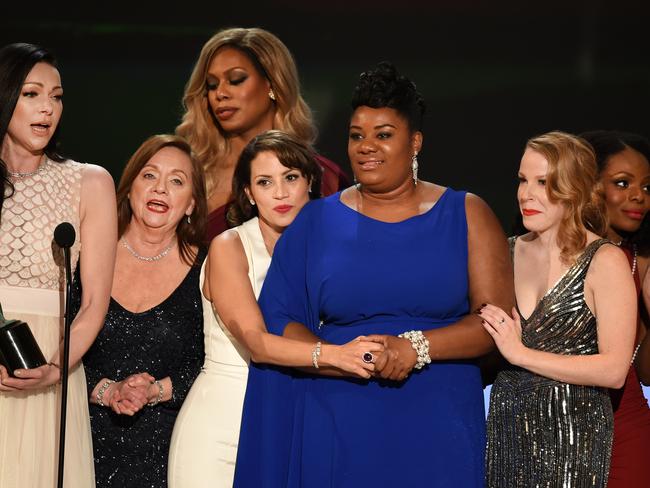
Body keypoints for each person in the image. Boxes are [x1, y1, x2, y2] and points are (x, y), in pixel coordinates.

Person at [234, 62, 513, 487]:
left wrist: (415, 347)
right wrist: (338, 357)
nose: (367, 146)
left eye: (383, 135)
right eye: (356, 135)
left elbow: (494, 323)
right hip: (338, 418)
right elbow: (279, 321)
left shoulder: (466, 213)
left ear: (414, 142)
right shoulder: (316, 222)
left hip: (439, 421)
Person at [167, 130, 383, 488]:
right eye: (265, 182)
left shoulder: (334, 251)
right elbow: (258, 343)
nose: (280, 193)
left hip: (296, 417)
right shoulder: (230, 246)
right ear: (250, 194)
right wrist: (339, 356)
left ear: (310, 181)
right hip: (223, 426)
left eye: (290, 178)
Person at [482, 131, 637, 487]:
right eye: (523, 180)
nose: (526, 194)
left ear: (575, 189)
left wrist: (520, 354)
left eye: (544, 182)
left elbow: (614, 370)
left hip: (573, 434)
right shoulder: (503, 252)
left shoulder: (604, 260)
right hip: (507, 429)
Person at [0, 43, 117, 488]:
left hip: (51, 367)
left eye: (57, 96)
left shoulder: (89, 182)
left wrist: (55, 368)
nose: (47, 108)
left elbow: (93, 306)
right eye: (32, 93)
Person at [79, 134, 207, 487]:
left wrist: (155, 391)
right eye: (149, 175)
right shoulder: (83, 254)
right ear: (130, 186)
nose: (160, 189)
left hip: (173, 452)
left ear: (192, 204)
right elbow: (55, 345)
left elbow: (214, 362)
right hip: (79, 443)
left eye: (176, 181)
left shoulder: (211, 268)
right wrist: (108, 390)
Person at [176, 27, 348, 241]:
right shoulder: (188, 173)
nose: (220, 93)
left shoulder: (324, 177)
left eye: (236, 79)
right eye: (212, 85)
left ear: (272, 84)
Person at [581, 130, 650, 487]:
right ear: (586, 185)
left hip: (624, 429)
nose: (638, 196)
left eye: (647, 187)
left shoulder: (643, 263)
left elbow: (646, 371)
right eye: (622, 183)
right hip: (547, 430)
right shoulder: (538, 253)